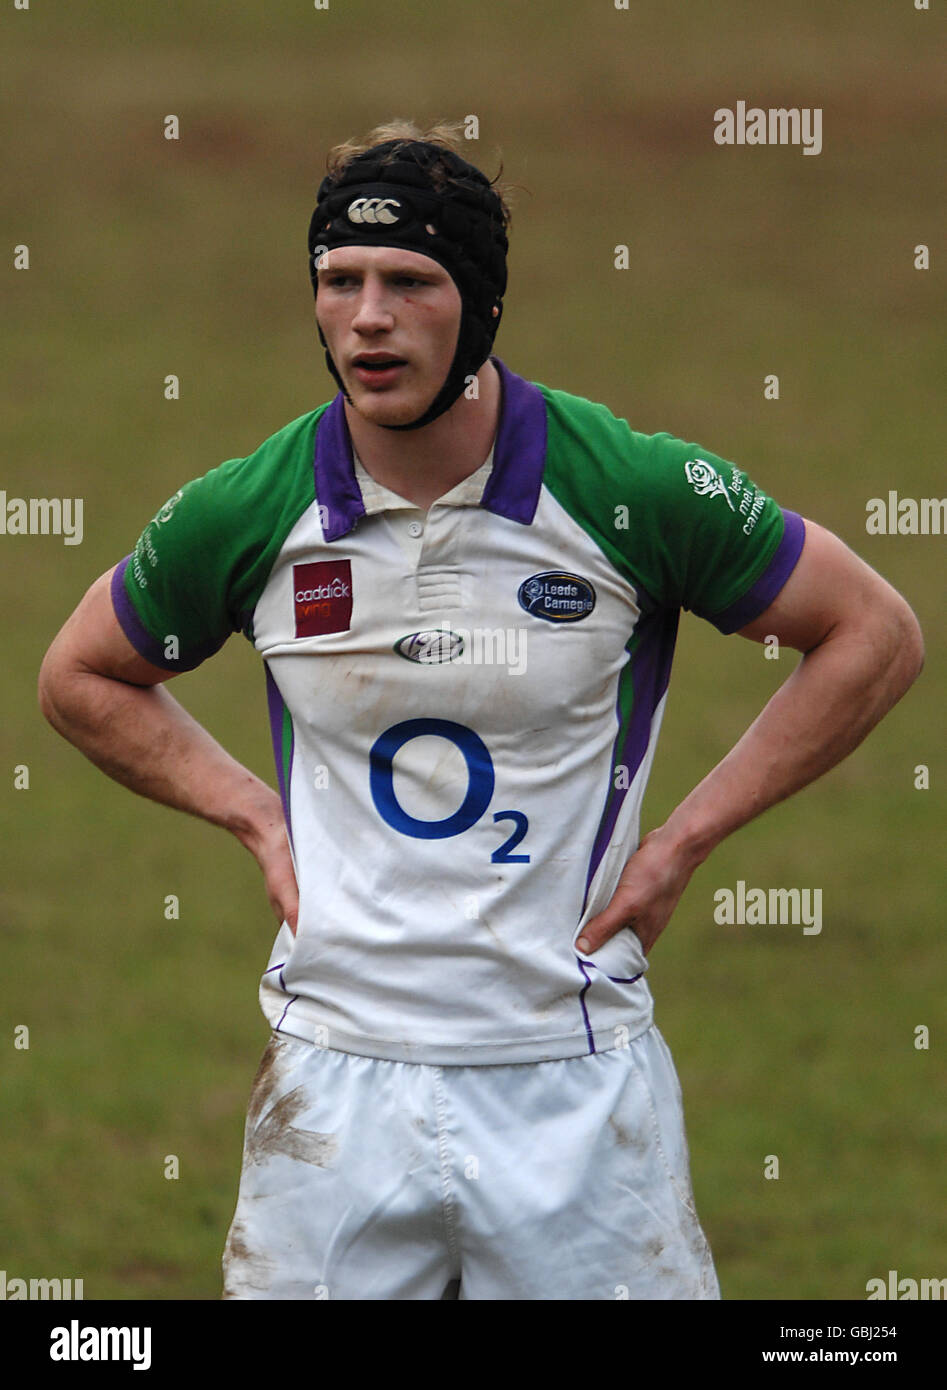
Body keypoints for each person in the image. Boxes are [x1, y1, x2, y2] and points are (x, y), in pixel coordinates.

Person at [38, 120, 923, 1301]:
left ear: (482, 306)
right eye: (337, 282)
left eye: (410, 282)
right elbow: (81, 676)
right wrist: (253, 815)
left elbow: (871, 633)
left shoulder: (623, 488)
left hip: (571, 1083)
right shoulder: (248, 510)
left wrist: (681, 844)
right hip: (332, 1090)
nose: (366, 317)